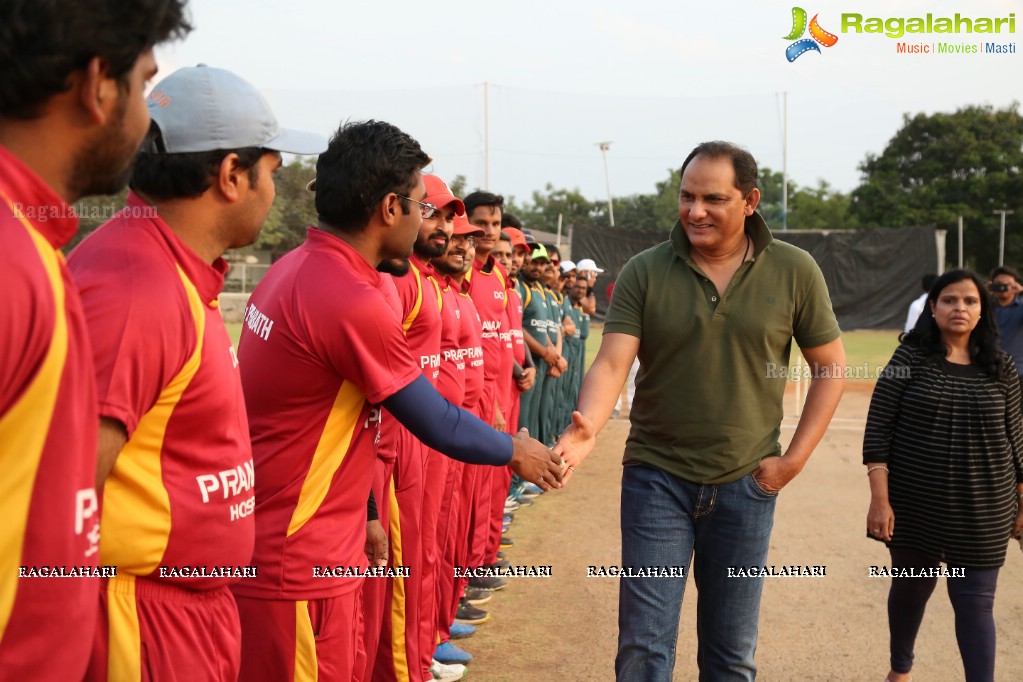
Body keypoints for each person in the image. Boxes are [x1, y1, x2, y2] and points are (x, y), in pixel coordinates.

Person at [233, 121, 563, 681]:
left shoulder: (297, 267)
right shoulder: (348, 296)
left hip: (296, 542)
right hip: (298, 561)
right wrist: (516, 451)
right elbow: (433, 419)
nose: (425, 222)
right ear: (390, 207)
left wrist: (362, 512)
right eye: (419, 205)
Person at [70, 64, 325, 681]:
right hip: (140, 622)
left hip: (184, 611)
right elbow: (59, 498)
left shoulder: (171, 269)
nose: (272, 189)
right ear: (232, 176)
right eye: (271, 171)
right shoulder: (138, 289)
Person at [555, 140, 845, 681]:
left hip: (747, 484)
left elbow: (831, 368)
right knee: (643, 647)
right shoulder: (645, 270)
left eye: (713, 198)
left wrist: (793, 462)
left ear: (750, 200)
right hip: (656, 480)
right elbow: (613, 362)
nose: (695, 211)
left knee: (730, 654)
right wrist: (589, 425)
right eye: (687, 197)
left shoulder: (794, 270)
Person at [0, 2, 189, 679]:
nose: (145, 122)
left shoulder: (34, 245)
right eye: (142, 85)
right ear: (96, 87)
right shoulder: (12, 263)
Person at [864, 269, 1023, 682]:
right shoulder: (909, 359)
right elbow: (878, 429)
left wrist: (1022, 506)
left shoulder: (1001, 368)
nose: (960, 308)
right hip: (917, 505)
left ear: (982, 310)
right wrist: (879, 500)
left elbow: (1018, 443)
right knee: (912, 590)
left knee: (976, 604)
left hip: (985, 507)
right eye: (950, 300)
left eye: (970, 301)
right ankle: (900, 669)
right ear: (933, 307)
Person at [988, 266, 1023, 378]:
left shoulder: (1021, 308)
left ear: (1015, 286)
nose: (1002, 287)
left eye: (1007, 284)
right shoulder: (985, 308)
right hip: (987, 368)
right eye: (998, 284)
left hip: (1017, 371)